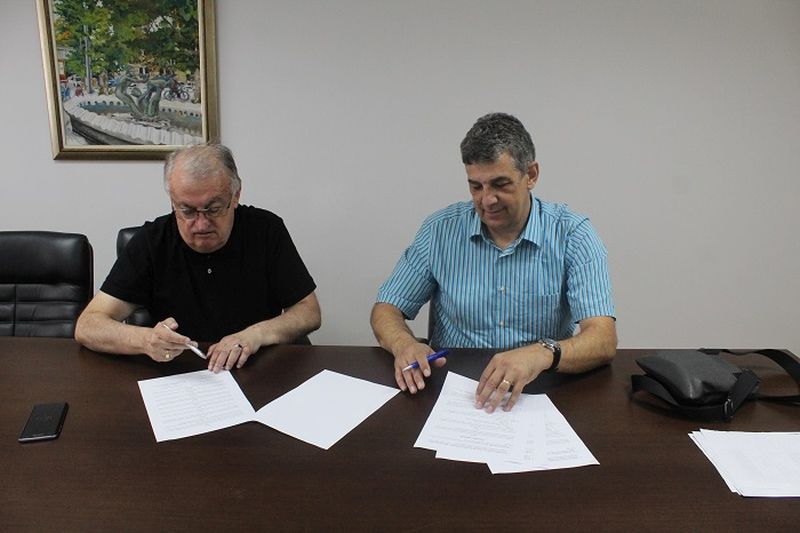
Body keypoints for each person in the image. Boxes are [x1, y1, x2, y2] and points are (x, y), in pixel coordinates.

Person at [370, 112, 616, 413]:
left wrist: (542, 353)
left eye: (500, 184)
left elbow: (603, 339)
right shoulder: (440, 231)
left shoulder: (573, 235)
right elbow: (387, 308)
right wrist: (404, 345)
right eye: (476, 186)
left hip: (539, 392)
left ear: (531, 175)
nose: (487, 200)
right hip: (455, 392)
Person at [75, 144, 321, 372]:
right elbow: (88, 325)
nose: (201, 224)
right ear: (173, 202)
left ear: (236, 196)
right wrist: (146, 340)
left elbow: (308, 312)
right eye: (187, 210)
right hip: (181, 372)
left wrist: (254, 335)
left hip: (258, 368)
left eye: (213, 209)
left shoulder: (266, 230)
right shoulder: (151, 241)